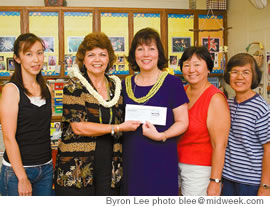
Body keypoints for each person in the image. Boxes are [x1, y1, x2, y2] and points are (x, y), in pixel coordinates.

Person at [54, 32, 140, 196]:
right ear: (83, 59)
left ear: (109, 58)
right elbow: (78, 127)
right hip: (77, 167)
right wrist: (117, 127)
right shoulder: (74, 86)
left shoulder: (116, 87)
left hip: (110, 164)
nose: (97, 59)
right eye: (91, 55)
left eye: (102, 54)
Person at [121, 27, 189, 196]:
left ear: (159, 53)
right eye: (140, 49)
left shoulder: (172, 83)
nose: (146, 54)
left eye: (151, 48)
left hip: (161, 157)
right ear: (134, 54)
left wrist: (162, 135)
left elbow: (183, 122)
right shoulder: (124, 84)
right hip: (132, 159)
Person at [0, 33, 53, 196]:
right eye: (29, 54)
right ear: (17, 58)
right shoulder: (11, 90)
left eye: (39, 53)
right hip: (18, 171)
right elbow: (9, 137)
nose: (36, 59)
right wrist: (22, 178)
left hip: (45, 168)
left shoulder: (48, 89)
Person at [177, 46, 230, 196]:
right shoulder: (183, 91)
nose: (191, 69)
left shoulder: (215, 98)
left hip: (201, 170)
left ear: (208, 68)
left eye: (197, 64)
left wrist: (215, 181)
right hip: (177, 165)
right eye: (186, 65)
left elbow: (220, 144)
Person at [222, 53, 270, 196]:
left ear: (254, 76)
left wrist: (266, 186)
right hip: (228, 179)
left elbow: (268, 149)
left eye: (246, 72)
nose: (239, 77)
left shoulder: (261, 108)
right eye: (234, 72)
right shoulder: (227, 103)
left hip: (251, 183)